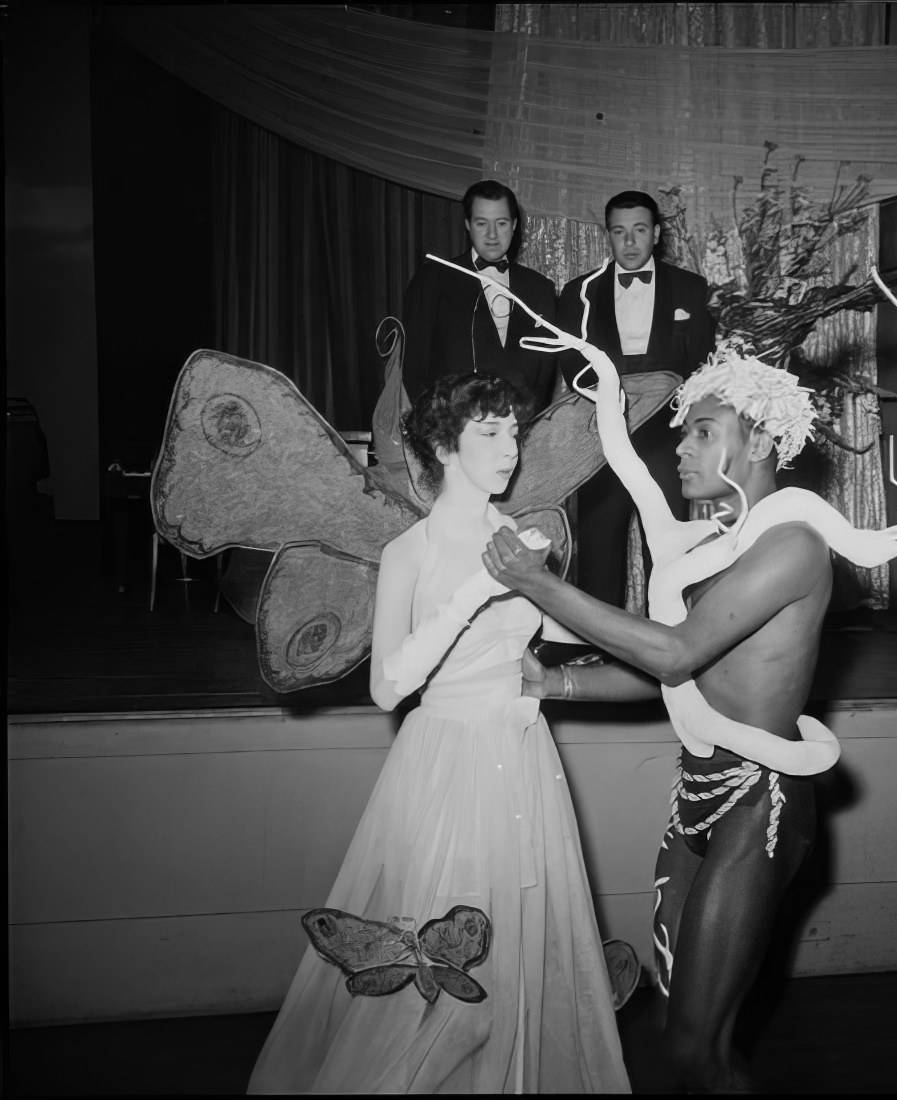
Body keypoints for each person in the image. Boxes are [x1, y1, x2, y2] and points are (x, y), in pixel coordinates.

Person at [248, 373, 631, 1094]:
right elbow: (388, 686)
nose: (511, 448)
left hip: (520, 755)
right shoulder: (410, 553)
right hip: (446, 761)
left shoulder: (524, 541)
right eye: (490, 433)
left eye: (514, 431)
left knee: (514, 948)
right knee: (440, 959)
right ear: (445, 446)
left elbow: (560, 634)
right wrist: (470, 595)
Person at [481, 342, 836, 1092]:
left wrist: (539, 586)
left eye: (703, 430)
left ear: (762, 443)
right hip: (698, 797)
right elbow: (676, 677)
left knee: (691, 1053)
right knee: (675, 1028)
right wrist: (554, 683)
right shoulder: (716, 544)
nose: (681, 444)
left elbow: (673, 653)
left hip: (758, 804)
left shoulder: (794, 545)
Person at [556, 189, 716, 608]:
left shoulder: (691, 289)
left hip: (667, 442)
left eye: (639, 230)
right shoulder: (578, 294)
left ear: (657, 233)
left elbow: (703, 365)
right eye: (619, 232)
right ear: (608, 235)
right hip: (601, 441)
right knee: (600, 544)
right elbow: (572, 366)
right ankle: (600, 649)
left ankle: (666, 640)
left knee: (666, 548)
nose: (629, 243)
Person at [400, 180, 559, 409]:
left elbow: (544, 375)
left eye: (501, 223)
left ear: (514, 225)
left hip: (516, 426)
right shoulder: (433, 278)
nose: (492, 234)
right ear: (468, 224)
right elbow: (415, 365)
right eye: (482, 223)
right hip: (453, 427)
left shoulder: (539, 287)